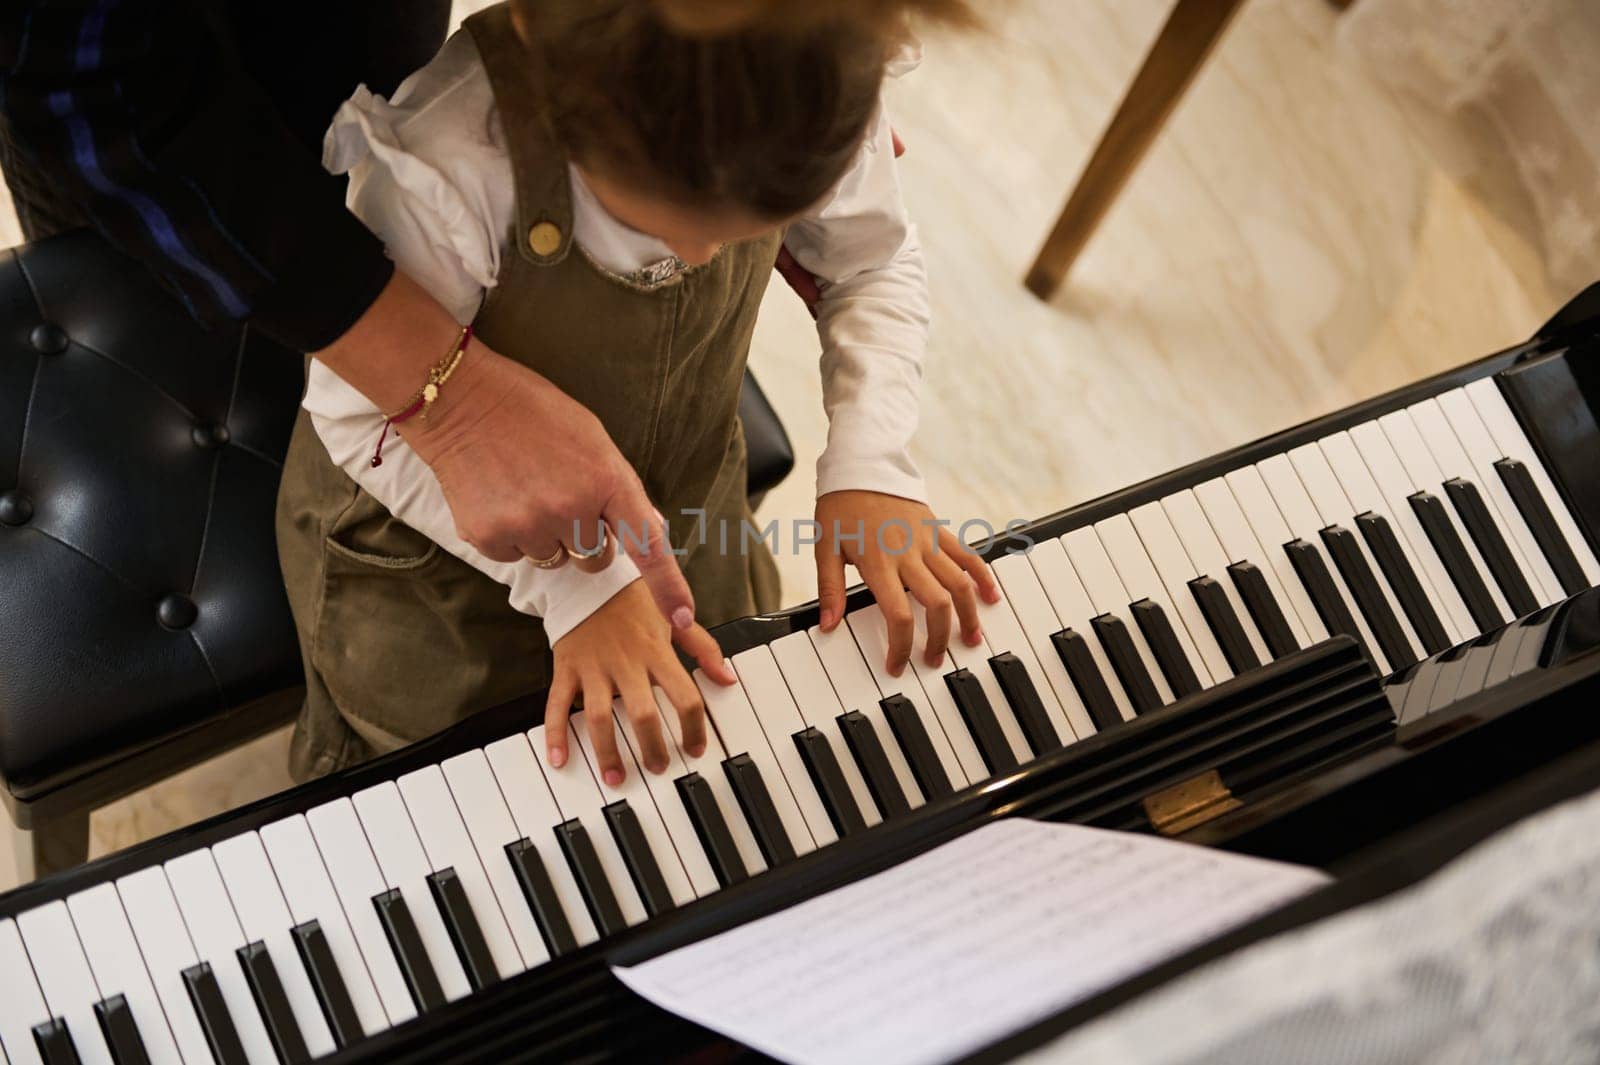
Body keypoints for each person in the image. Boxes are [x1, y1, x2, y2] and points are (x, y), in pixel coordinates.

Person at [278, 0, 999, 784]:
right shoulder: (453, 167)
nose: (700, 253)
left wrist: (870, 457)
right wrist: (577, 585)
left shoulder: (816, 78)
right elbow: (358, 415)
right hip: (436, 580)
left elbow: (871, 263)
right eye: (662, 220)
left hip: (687, 508)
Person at [0, 0, 703, 646]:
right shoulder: (450, 171)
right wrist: (460, 414)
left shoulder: (766, 92)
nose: (699, 255)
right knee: (166, 355)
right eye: (695, 209)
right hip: (115, 86)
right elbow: (92, 83)